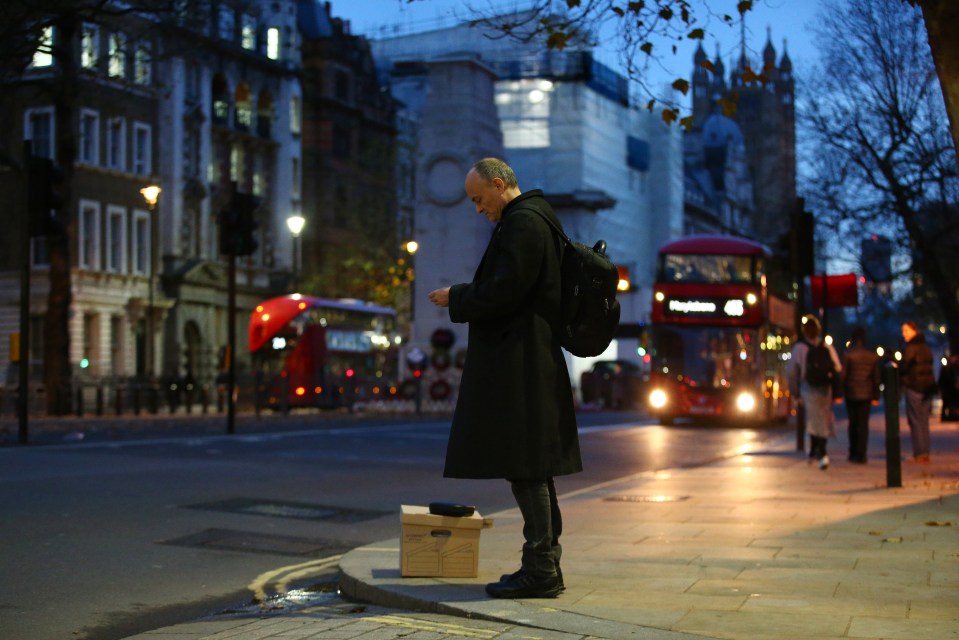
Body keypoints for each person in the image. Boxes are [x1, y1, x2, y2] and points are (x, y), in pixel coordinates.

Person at [427, 158, 580, 599]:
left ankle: (541, 570)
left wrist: (456, 296)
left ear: (499, 185)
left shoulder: (523, 223)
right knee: (534, 466)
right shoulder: (537, 219)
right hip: (531, 356)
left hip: (522, 361)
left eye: (479, 199)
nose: (477, 209)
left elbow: (507, 289)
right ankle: (545, 563)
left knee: (526, 467)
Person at [789, 314, 842, 469]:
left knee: (812, 419)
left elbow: (791, 371)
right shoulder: (826, 347)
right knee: (823, 418)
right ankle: (820, 450)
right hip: (825, 388)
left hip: (808, 387)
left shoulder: (799, 348)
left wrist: (795, 391)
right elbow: (837, 368)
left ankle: (817, 451)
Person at [841, 326, 880, 463]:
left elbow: (844, 375)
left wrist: (840, 392)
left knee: (853, 423)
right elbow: (876, 378)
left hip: (851, 393)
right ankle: (862, 453)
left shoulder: (849, 355)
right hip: (866, 393)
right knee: (863, 424)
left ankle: (853, 452)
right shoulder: (872, 356)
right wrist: (876, 396)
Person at [899, 320, 935, 463]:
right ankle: (924, 452)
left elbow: (904, 367)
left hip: (914, 387)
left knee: (915, 420)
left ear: (914, 331)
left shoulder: (911, 348)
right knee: (924, 420)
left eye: (906, 331)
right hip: (927, 388)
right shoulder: (926, 347)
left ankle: (919, 453)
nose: (904, 334)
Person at [938, 353, 959, 421]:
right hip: (947, 389)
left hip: (950, 389)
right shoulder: (947, 368)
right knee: (946, 403)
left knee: (951, 403)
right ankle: (946, 416)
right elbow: (943, 379)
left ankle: (952, 415)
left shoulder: (954, 367)